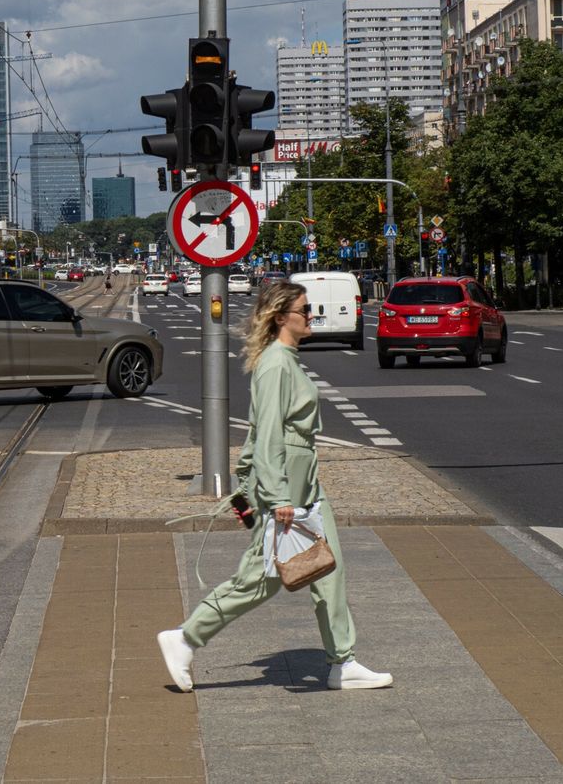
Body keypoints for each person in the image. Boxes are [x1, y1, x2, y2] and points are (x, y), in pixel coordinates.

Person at [157, 281, 392, 692]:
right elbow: (266, 435)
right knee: (260, 579)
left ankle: (343, 661)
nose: (312, 314)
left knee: (328, 569)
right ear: (282, 317)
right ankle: (185, 637)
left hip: (307, 487)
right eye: (305, 309)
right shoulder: (275, 365)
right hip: (286, 490)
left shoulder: (287, 360)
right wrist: (278, 494)